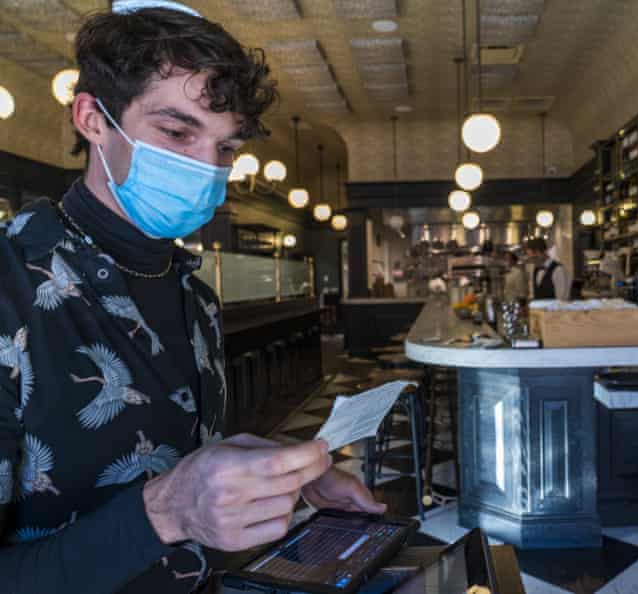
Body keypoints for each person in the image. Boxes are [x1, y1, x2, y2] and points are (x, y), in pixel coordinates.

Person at [0, 3, 383, 593]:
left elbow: (163, 451)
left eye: (226, 149)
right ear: (92, 118)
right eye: (177, 131)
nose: (207, 167)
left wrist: (276, 479)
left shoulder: (195, 296)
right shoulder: (11, 286)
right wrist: (165, 513)